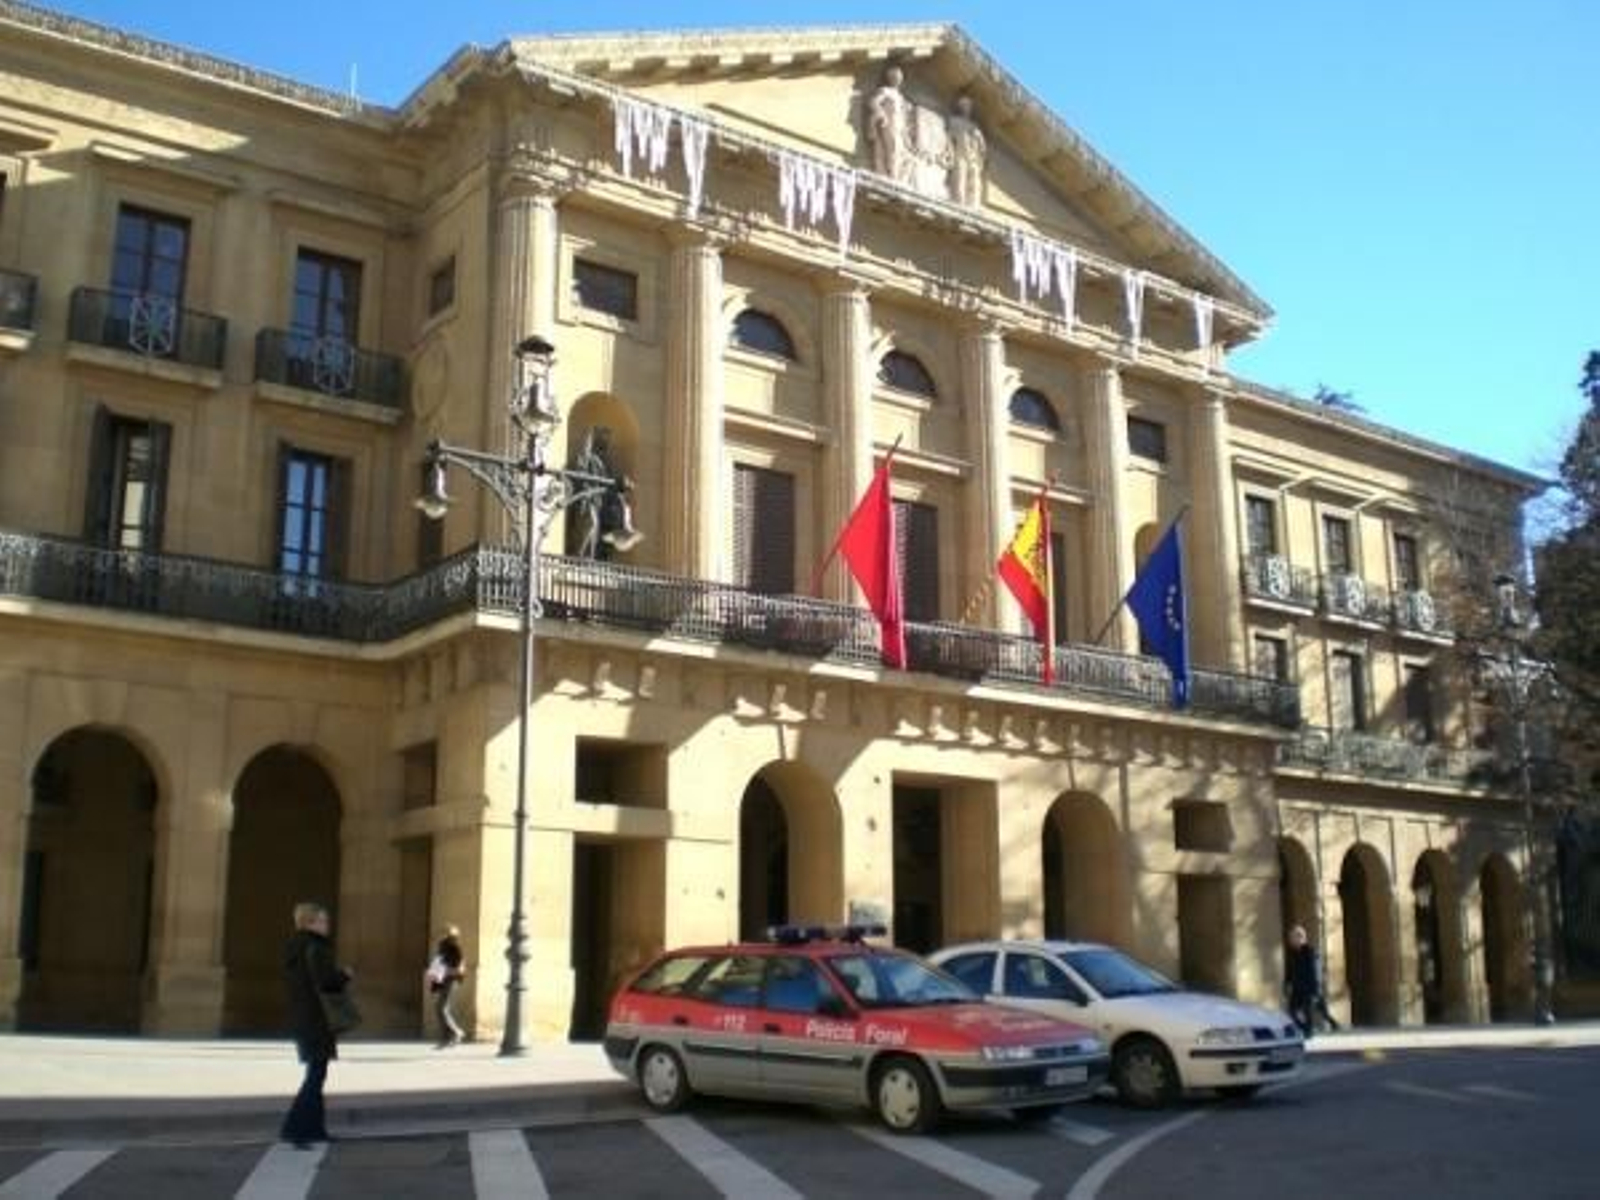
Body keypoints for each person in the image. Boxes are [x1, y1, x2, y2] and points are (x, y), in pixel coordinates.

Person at [281, 901, 352, 1148]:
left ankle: (315, 1129)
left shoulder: (294, 947)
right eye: (322, 921)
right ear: (310, 922)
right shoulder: (316, 948)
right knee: (315, 1076)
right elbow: (327, 982)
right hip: (318, 1018)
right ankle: (296, 1129)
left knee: (316, 1073)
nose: (327, 925)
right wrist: (344, 975)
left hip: (303, 1016)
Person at [1285, 923, 1340, 1036]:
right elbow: (1290, 970)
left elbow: (1316, 972)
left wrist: (1315, 990)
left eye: (1292, 937)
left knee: (1310, 1011)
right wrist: (1287, 983)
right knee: (1292, 1012)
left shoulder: (1311, 952)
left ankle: (1308, 1031)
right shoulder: (1292, 953)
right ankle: (1329, 1024)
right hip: (1297, 988)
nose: (1290, 940)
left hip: (1310, 988)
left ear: (1300, 937)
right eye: (1290, 937)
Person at [867, 65, 909, 183]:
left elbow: (903, 118)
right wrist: (882, 115)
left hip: (899, 128)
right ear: (889, 77)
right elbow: (873, 102)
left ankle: (894, 177)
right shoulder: (886, 91)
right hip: (889, 124)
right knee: (893, 150)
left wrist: (906, 135)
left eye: (900, 76)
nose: (897, 78)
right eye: (894, 76)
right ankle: (892, 178)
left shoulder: (900, 97)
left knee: (902, 154)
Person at [945, 95, 987, 207]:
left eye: (968, 106)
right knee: (959, 177)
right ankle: (959, 202)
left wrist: (980, 156)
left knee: (974, 181)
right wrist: (949, 152)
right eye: (964, 105)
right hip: (960, 154)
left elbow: (982, 147)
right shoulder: (954, 121)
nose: (967, 108)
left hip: (973, 157)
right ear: (959, 107)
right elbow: (949, 138)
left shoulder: (975, 127)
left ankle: (973, 204)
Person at [429, 924, 467, 1047]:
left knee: (441, 1008)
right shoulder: (443, 948)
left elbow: (460, 969)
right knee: (441, 1008)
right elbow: (439, 963)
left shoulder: (455, 948)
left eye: (446, 934)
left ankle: (456, 1032)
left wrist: (444, 971)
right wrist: (436, 972)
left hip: (451, 980)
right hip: (445, 980)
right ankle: (447, 1038)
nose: (441, 937)